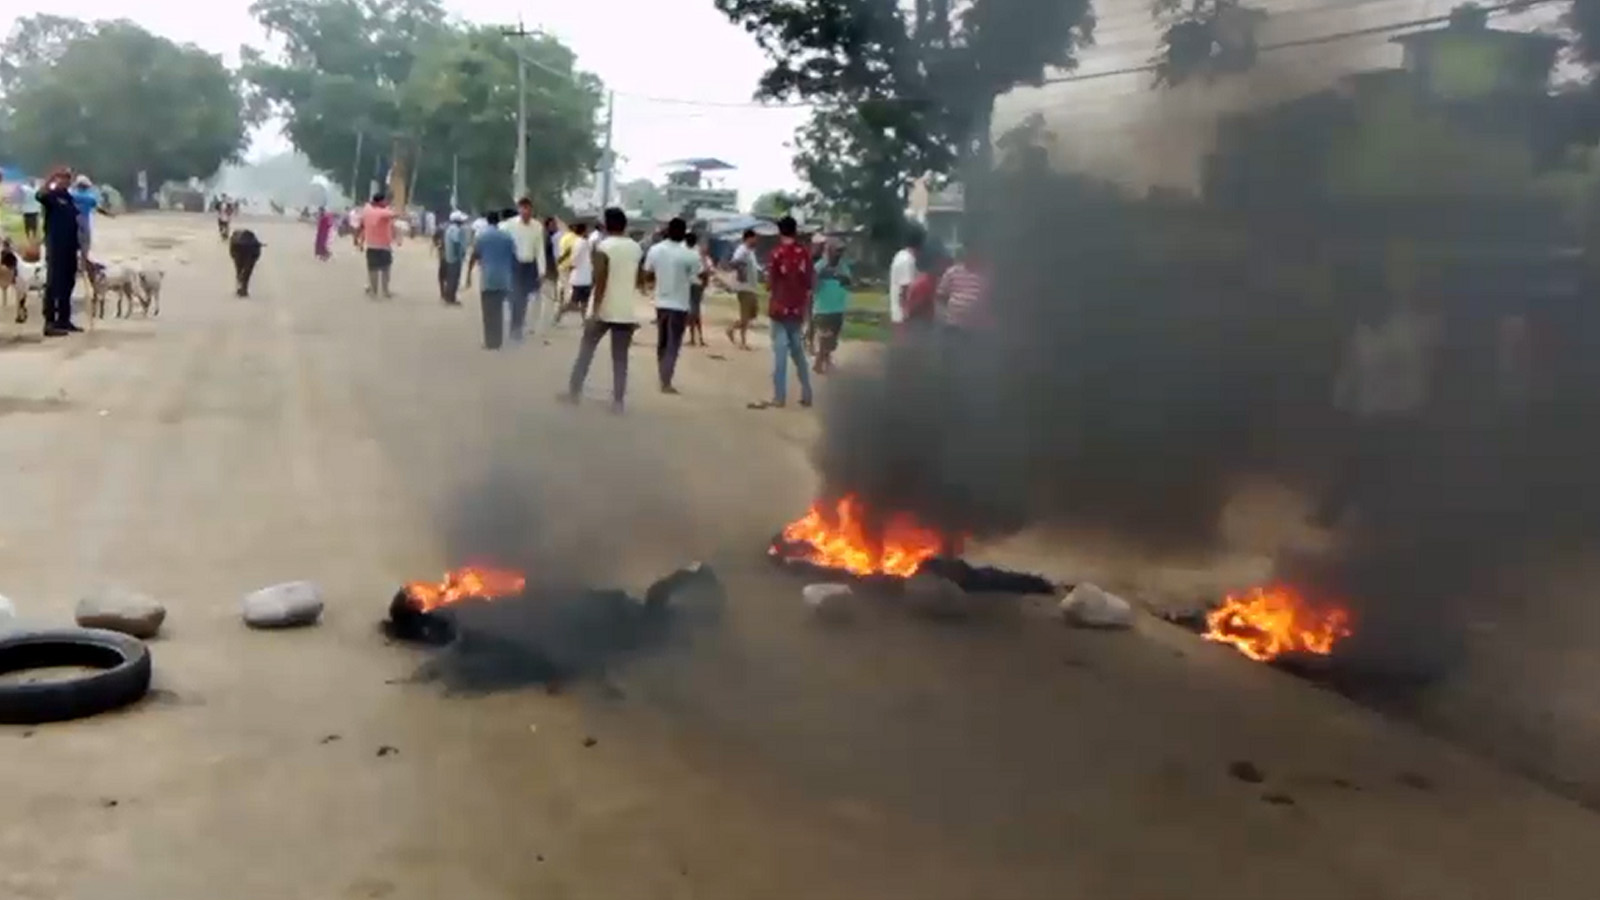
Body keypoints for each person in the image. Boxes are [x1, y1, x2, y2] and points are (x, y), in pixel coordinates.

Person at [563, 207, 642, 413]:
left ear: (606, 225)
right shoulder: (636, 248)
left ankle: (574, 392)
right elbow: (640, 279)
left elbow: (601, 281)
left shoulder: (603, 247)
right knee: (620, 358)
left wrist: (595, 310)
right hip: (625, 310)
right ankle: (618, 401)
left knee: (586, 351)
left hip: (604, 309)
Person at [750, 216, 814, 410]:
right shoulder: (805, 254)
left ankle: (779, 396)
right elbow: (810, 283)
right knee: (798, 352)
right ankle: (807, 392)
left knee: (780, 353)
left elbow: (770, 283)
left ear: (780, 232)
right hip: (797, 309)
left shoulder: (777, 254)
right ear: (795, 231)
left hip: (779, 309)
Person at [644, 217, 701, 394]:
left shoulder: (656, 250)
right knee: (673, 344)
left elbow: (647, 274)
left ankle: (663, 374)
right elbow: (697, 278)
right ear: (684, 233)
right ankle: (666, 380)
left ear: (667, 231)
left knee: (662, 341)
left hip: (661, 303)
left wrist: (657, 280)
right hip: (680, 305)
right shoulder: (690, 254)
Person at [36, 170, 82, 336]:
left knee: (68, 283)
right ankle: (50, 322)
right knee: (54, 283)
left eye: (68, 178)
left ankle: (64, 319)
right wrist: (49, 181)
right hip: (56, 246)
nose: (65, 181)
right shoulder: (52, 196)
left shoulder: (69, 198)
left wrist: (80, 246)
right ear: (56, 179)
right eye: (62, 177)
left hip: (70, 246)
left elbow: (75, 221)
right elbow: (40, 195)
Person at [463, 210, 518, 349]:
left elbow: (474, 256)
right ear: (498, 220)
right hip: (504, 278)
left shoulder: (482, 237)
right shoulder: (507, 237)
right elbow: (514, 257)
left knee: (488, 311)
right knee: (498, 310)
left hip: (488, 278)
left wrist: (468, 275)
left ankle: (490, 341)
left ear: (487, 221)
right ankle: (498, 340)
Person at [500, 197, 546, 341]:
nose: (526, 211)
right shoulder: (509, 225)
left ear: (531, 210)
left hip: (529, 265)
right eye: (523, 208)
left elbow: (539, 250)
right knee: (515, 296)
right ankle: (515, 326)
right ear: (519, 209)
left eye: (528, 208)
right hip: (515, 264)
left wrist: (542, 270)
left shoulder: (537, 227)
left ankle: (518, 325)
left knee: (524, 298)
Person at [811, 241, 852, 373]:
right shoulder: (819, 266)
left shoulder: (843, 267)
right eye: (837, 250)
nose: (839, 254)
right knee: (825, 337)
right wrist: (822, 276)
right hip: (823, 308)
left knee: (833, 340)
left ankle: (826, 358)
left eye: (841, 251)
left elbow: (849, 283)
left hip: (838, 308)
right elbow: (812, 286)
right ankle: (818, 362)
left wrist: (842, 278)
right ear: (828, 251)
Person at [935, 244, 988, 331]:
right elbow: (940, 296)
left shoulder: (982, 275)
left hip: (975, 326)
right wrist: (945, 314)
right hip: (953, 325)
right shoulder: (952, 272)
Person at [358, 193, 398, 298]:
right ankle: (385, 291)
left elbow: (362, 226)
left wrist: (360, 242)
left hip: (371, 245)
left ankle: (374, 291)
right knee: (385, 269)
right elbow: (395, 214)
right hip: (384, 246)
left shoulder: (367, 211)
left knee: (373, 270)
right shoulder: (382, 212)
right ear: (381, 201)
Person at [726, 229, 760, 350]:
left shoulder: (750, 252)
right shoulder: (742, 250)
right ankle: (743, 342)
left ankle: (732, 329)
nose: (756, 240)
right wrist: (742, 273)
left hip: (752, 287)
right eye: (754, 238)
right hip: (745, 288)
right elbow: (734, 262)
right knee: (745, 316)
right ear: (748, 238)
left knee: (753, 314)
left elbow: (754, 267)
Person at [555, 221, 593, 326]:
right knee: (574, 302)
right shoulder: (581, 243)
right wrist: (572, 266)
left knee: (584, 301)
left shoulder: (581, 242)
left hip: (583, 276)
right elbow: (574, 258)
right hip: (581, 277)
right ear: (584, 231)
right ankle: (559, 313)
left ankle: (585, 321)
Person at [888, 229, 922, 334]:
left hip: (898, 312)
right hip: (902, 315)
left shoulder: (900, 255)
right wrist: (907, 312)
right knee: (904, 347)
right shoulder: (907, 260)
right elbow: (906, 288)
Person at [438, 211, 469, 305]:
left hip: (449, 256)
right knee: (454, 278)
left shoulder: (450, 229)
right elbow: (456, 242)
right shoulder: (456, 230)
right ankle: (451, 298)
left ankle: (449, 297)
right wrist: (459, 254)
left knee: (451, 277)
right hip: (454, 258)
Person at [686, 232, 710, 347]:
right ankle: (698, 337)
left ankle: (693, 338)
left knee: (692, 311)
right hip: (698, 284)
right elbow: (706, 270)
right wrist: (705, 282)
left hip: (690, 284)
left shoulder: (686, 252)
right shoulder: (699, 252)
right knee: (696, 310)